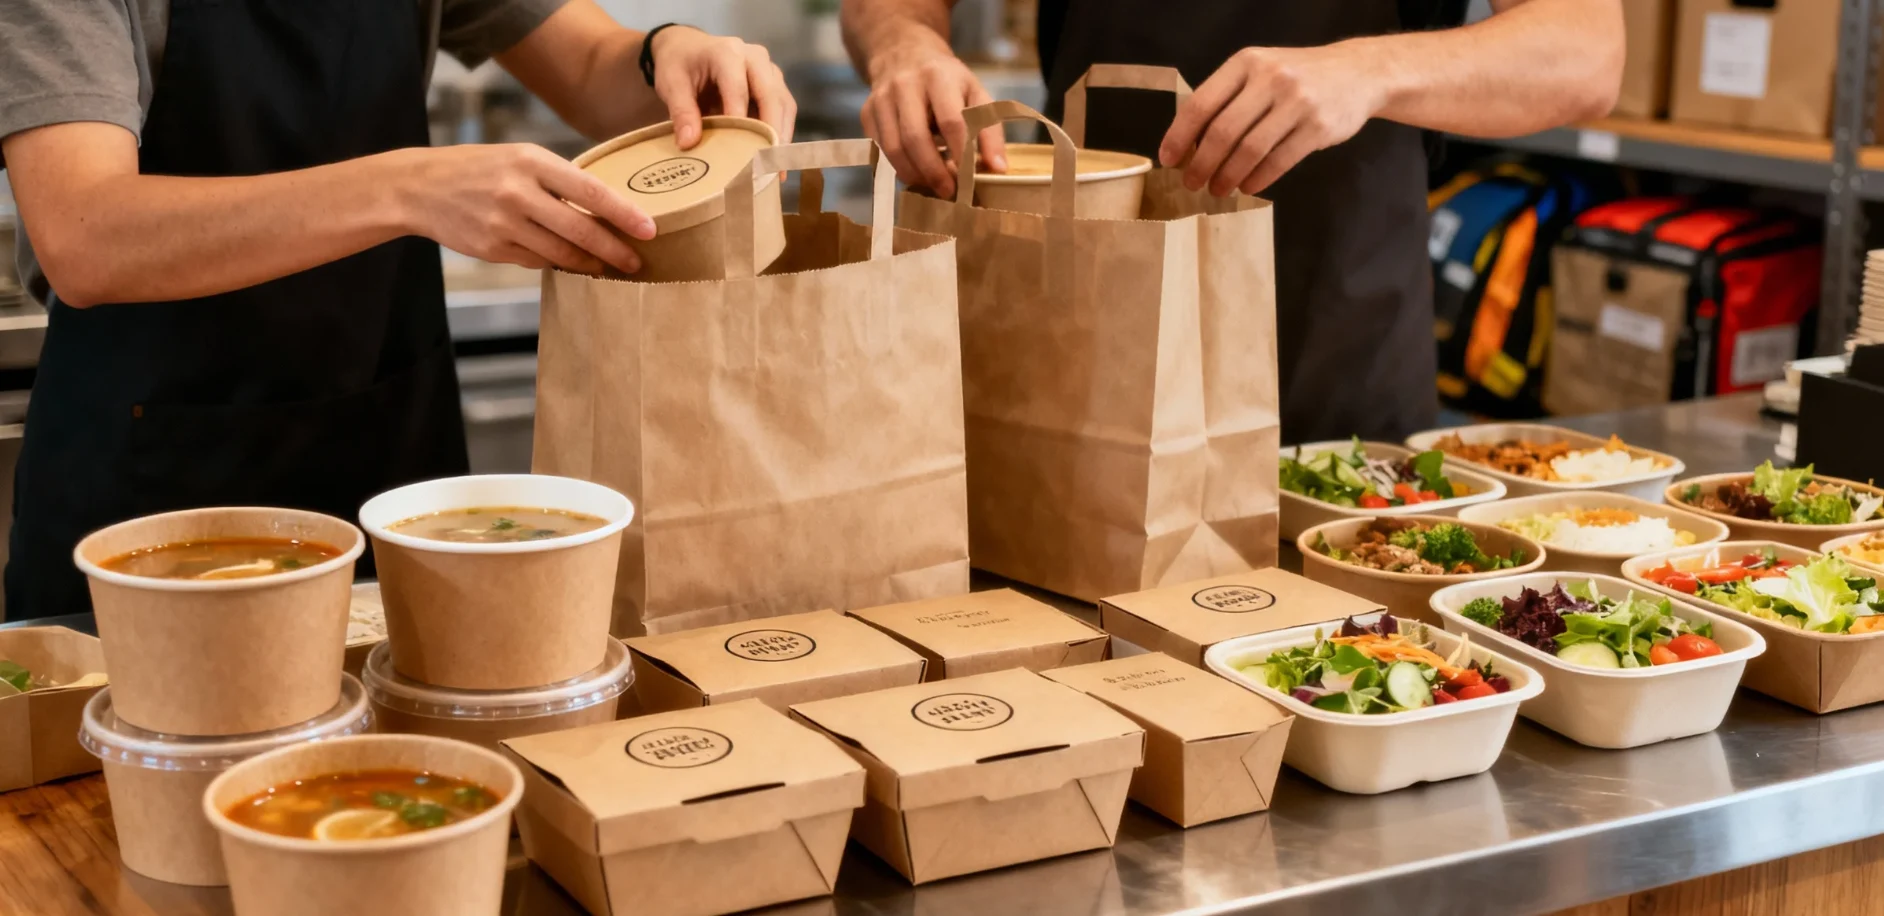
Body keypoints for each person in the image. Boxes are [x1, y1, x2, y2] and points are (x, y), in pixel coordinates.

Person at [0, 0, 795, 619]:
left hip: (388, 455)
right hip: (156, 494)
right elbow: (87, 234)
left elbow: (591, 66)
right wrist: (410, 187)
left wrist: (669, 50)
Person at [841, 0, 1622, 442]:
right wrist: (902, 44)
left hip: (1332, 341)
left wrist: (1374, 69)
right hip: (1078, 325)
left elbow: (1584, 52)